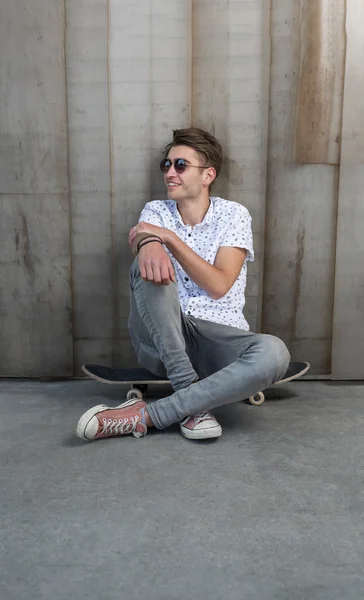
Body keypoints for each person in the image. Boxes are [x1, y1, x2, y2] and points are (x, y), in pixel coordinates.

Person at [76, 128, 290, 442]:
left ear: (208, 176)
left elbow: (219, 285)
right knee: (148, 267)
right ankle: (187, 389)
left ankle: (149, 414)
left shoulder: (233, 215)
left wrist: (169, 239)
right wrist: (148, 243)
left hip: (219, 341)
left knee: (274, 353)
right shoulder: (156, 211)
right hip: (161, 342)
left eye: (180, 165)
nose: (170, 173)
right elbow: (144, 243)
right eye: (167, 165)